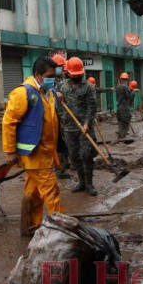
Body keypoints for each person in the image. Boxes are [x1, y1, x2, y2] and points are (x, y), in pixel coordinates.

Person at [2, 56, 64, 236]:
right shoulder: (23, 93)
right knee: (52, 192)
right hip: (35, 153)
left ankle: (30, 226)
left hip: (46, 152)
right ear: (38, 74)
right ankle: (62, 231)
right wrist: (10, 151)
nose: (53, 79)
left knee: (34, 193)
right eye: (50, 76)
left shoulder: (48, 92)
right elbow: (9, 122)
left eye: (55, 76)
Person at [57, 57, 98, 196]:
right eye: (73, 74)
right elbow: (56, 103)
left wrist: (87, 123)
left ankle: (89, 184)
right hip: (68, 128)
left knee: (86, 155)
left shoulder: (88, 87)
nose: (76, 76)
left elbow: (91, 108)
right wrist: (61, 117)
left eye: (78, 74)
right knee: (74, 157)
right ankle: (81, 182)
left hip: (84, 128)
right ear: (67, 72)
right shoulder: (61, 86)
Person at [51, 54, 71, 180]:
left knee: (66, 142)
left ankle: (65, 163)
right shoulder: (50, 80)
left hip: (64, 115)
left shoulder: (63, 78)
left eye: (62, 67)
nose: (61, 69)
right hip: (56, 115)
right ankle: (59, 170)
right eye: (59, 67)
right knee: (60, 143)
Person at [115, 73, 133, 139]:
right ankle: (122, 139)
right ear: (126, 80)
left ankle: (119, 138)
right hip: (124, 108)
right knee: (125, 124)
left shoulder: (117, 87)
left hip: (119, 107)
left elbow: (117, 98)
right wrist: (133, 92)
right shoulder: (125, 87)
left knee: (120, 124)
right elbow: (129, 96)